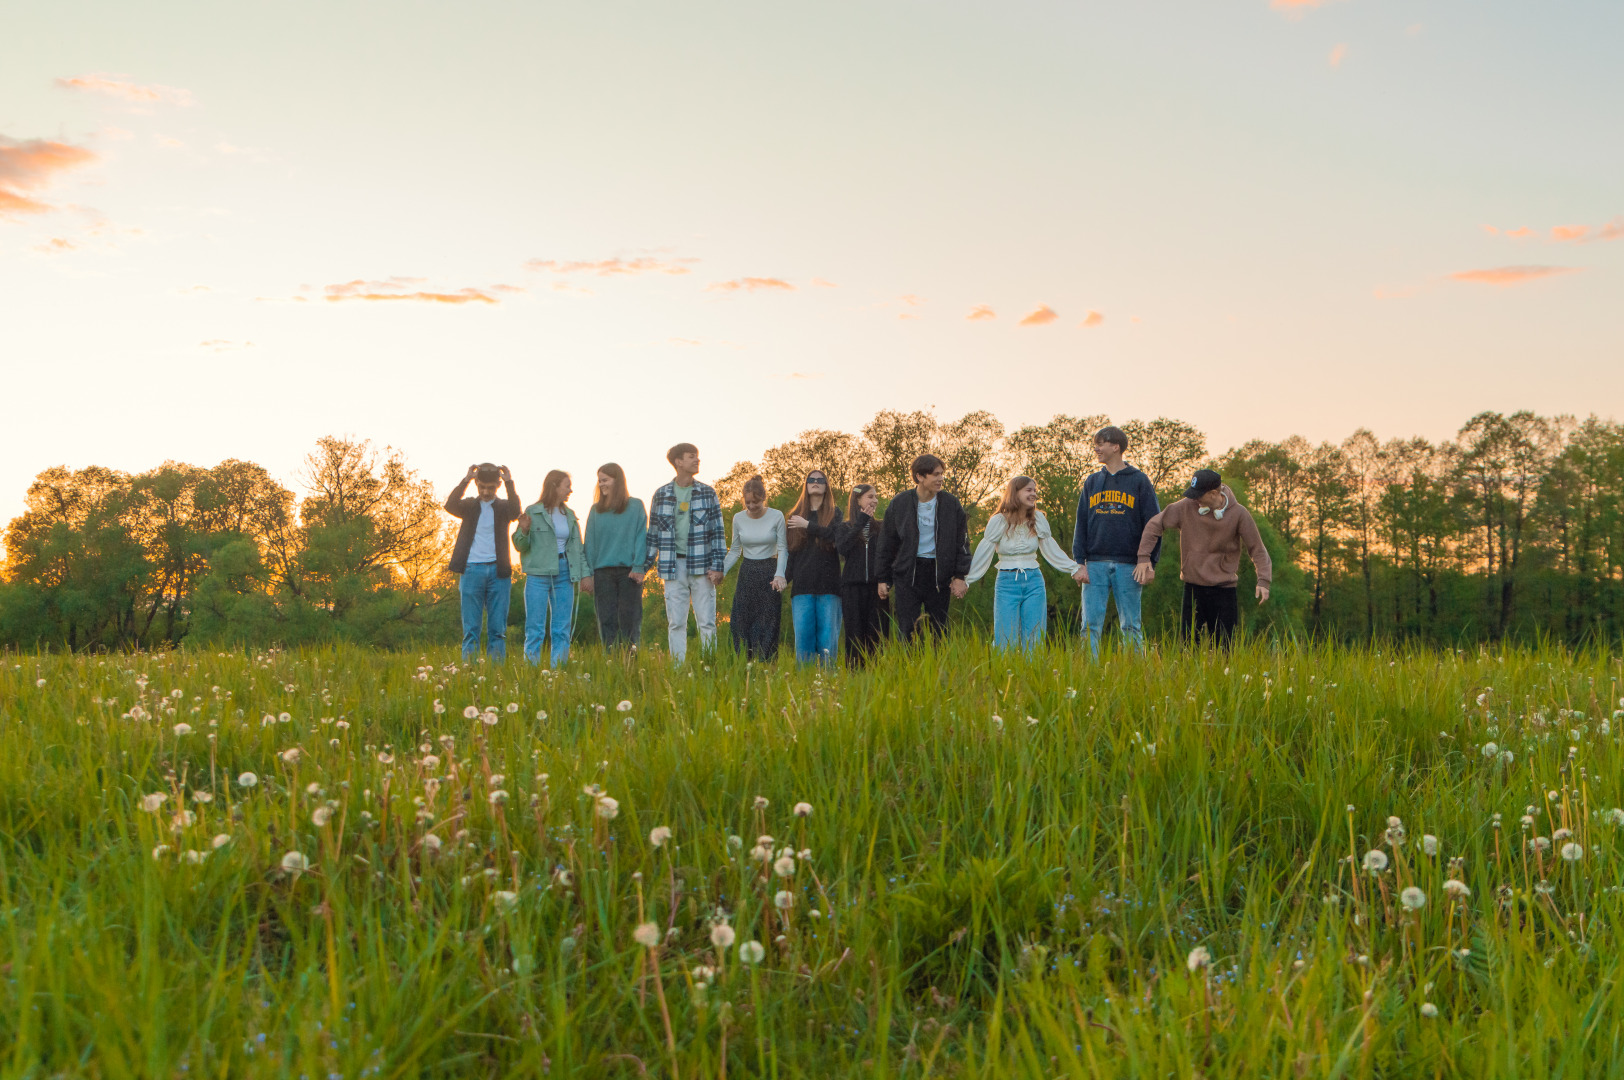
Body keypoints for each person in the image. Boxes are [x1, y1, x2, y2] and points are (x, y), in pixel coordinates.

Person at [1134, 468, 1271, 646]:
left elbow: (1257, 548)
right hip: (1193, 589)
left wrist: (1263, 580)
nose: (1195, 499)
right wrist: (1144, 557)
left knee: (1225, 648)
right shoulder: (1185, 507)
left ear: (1214, 493)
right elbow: (1154, 525)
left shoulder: (1239, 514)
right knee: (1188, 647)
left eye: (1199, 495)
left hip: (1224, 590)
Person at [967, 476, 1088, 651]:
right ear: (1015, 493)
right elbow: (983, 553)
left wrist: (1073, 568)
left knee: (1034, 637)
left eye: (1035, 490)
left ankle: (1032, 674)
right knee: (1005, 639)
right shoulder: (999, 521)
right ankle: (1005, 675)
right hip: (1007, 582)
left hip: (1034, 581)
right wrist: (967, 579)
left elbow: (1050, 548)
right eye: (1029, 490)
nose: (1034, 494)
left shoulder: (1038, 518)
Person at [1073, 425, 1161, 655]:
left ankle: (1134, 672)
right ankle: (1088, 673)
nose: (1096, 448)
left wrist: (1150, 561)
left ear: (1116, 447)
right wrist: (1078, 561)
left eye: (1101, 444)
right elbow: (1081, 523)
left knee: (1131, 625)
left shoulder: (1140, 481)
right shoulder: (1091, 482)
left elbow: (1154, 524)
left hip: (1129, 565)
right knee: (1089, 626)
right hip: (1094, 563)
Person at [643, 442, 726, 663]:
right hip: (672, 566)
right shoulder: (661, 494)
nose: (697, 460)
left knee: (707, 621)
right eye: (691, 456)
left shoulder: (707, 493)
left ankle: (709, 665)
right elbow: (653, 534)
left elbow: (718, 531)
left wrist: (718, 566)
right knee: (676, 622)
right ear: (678, 462)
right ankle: (678, 669)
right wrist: (643, 568)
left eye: (697, 456)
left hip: (702, 566)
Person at [876, 454, 970, 643]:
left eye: (942, 474)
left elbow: (962, 542)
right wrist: (883, 578)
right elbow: (887, 542)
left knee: (939, 631)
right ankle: (909, 670)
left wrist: (960, 576)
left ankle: (937, 670)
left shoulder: (951, 504)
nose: (940, 479)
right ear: (920, 476)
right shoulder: (900, 503)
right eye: (935, 474)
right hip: (907, 574)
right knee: (907, 630)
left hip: (938, 574)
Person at [444, 463, 522, 660]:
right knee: (471, 630)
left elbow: (515, 511)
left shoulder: (503, 507)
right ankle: (469, 671)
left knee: (498, 630)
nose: (486, 492)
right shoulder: (469, 506)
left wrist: (509, 483)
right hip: (471, 570)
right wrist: (466, 479)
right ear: (477, 484)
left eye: (491, 487)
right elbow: (450, 504)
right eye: (482, 487)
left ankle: (496, 675)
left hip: (499, 572)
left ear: (497, 485)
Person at [512, 470, 589, 667]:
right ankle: (531, 671)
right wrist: (524, 529)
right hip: (538, 574)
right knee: (535, 628)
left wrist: (584, 575)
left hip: (565, 573)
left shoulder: (570, 515)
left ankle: (558, 673)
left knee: (561, 628)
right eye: (566, 485)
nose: (570, 490)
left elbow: (578, 549)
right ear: (554, 486)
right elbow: (520, 545)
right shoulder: (533, 511)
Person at [807, 483, 886, 667]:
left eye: (875, 496)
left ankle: (875, 673)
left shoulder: (881, 527)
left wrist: (885, 580)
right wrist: (861, 521)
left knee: (876, 634)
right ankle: (854, 676)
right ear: (858, 500)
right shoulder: (844, 528)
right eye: (870, 497)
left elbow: (887, 555)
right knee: (854, 634)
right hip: (852, 588)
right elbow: (843, 548)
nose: (875, 500)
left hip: (877, 589)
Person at [583, 463, 647, 652]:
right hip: (602, 573)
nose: (601, 484)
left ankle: (631, 662)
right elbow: (590, 543)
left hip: (629, 572)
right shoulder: (596, 510)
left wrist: (638, 566)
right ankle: (611, 660)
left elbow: (640, 537)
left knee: (631, 619)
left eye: (605, 480)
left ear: (617, 481)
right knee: (607, 620)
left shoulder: (635, 506)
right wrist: (588, 574)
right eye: (599, 481)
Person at [722, 474, 787, 661]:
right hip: (747, 571)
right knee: (741, 621)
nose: (751, 506)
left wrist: (780, 574)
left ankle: (767, 665)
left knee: (768, 621)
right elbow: (735, 550)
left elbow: (783, 548)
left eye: (755, 502)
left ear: (763, 498)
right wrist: (722, 572)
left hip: (770, 571)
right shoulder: (738, 518)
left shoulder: (776, 516)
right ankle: (744, 663)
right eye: (747, 502)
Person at [785, 469, 844, 664]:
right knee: (804, 644)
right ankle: (805, 688)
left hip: (830, 588)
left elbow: (835, 537)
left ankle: (828, 689)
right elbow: (792, 552)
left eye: (821, 480)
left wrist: (808, 525)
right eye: (811, 479)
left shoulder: (835, 513)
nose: (816, 482)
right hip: (802, 588)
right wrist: (783, 579)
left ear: (826, 486)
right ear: (806, 485)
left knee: (828, 644)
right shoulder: (795, 516)